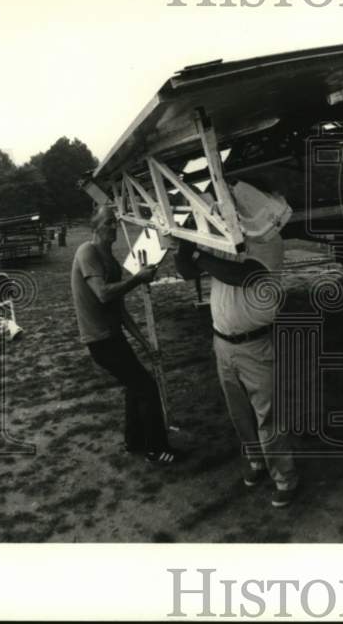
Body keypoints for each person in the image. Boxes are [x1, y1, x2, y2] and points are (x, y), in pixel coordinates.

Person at [173, 180, 299, 508]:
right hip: (223, 343)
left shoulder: (269, 243)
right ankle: (256, 462)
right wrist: (185, 241)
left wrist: (198, 252)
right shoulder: (228, 239)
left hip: (255, 346)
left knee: (267, 415)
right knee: (239, 413)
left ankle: (284, 477)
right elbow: (186, 270)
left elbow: (239, 275)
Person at [71, 205, 180, 465]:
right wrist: (139, 279)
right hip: (99, 340)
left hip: (113, 335)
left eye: (115, 222)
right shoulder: (87, 251)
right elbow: (103, 293)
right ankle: (157, 449)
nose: (114, 227)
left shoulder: (111, 262)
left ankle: (134, 441)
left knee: (135, 387)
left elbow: (119, 310)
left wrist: (144, 343)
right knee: (146, 388)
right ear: (95, 227)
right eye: (108, 222)